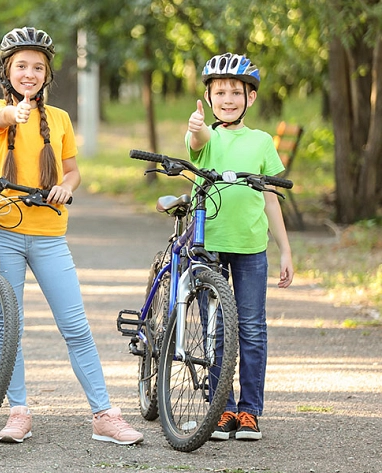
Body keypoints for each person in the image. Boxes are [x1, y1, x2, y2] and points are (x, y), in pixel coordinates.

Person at [0, 27, 144, 446]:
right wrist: (15, 113)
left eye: (38, 67)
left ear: (48, 74)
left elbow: (71, 169)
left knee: (75, 325)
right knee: (7, 326)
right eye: (21, 66)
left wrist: (68, 186)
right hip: (6, 231)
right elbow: (3, 120)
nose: (30, 73)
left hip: (50, 234)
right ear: (7, 71)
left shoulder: (60, 119)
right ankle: (17, 411)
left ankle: (104, 414)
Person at [186, 53, 294, 442]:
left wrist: (285, 249)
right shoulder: (206, 136)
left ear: (250, 98)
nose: (228, 98)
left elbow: (270, 199)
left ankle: (249, 411)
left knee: (251, 329)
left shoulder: (262, 142)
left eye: (236, 92)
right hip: (208, 246)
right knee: (216, 330)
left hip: (251, 247)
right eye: (220, 92)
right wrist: (196, 127)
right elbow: (197, 143)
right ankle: (222, 407)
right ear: (209, 98)